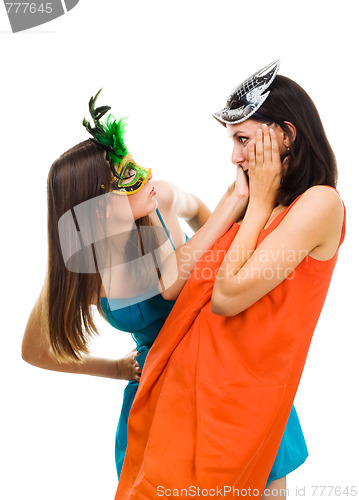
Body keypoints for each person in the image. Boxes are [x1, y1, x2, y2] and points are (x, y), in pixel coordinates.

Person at [22, 87, 308, 497]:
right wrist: (115, 369)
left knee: (264, 481)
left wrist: (226, 263)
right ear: (99, 206)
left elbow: (212, 230)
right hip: (160, 400)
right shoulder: (81, 271)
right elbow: (35, 350)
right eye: (128, 175)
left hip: (228, 370)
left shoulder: (165, 201)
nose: (148, 174)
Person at [114, 61, 345, 500]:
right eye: (232, 141)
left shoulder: (320, 204)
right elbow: (170, 284)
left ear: (287, 134)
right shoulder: (246, 193)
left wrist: (255, 206)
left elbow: (226, 296)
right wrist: (238, 198)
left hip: (235, 406)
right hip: (179, 394)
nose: (235, 157)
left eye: (243, 139)